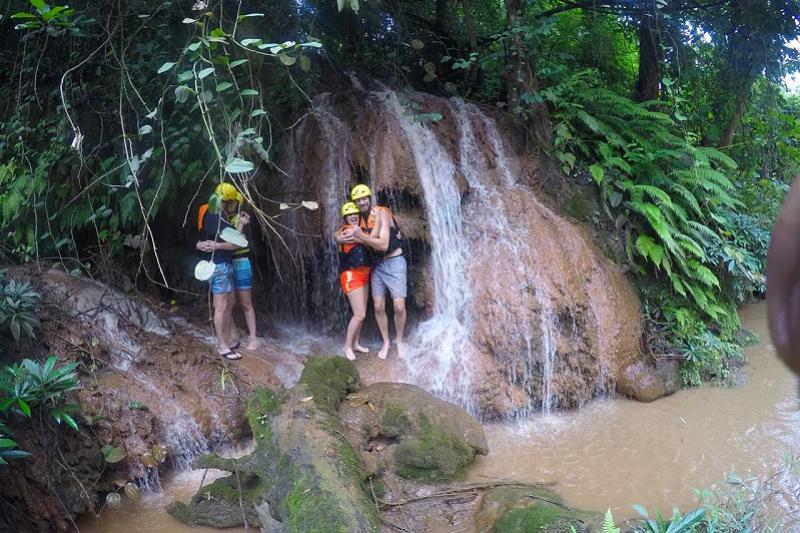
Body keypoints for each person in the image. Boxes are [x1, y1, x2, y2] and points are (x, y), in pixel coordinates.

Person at [341, 184, 407, 359]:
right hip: (376, 266)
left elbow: (384, 244)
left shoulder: (381, 213)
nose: (362, 202)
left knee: (399, 306)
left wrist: (363, 238)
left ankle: (399, 340)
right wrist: (338, 236)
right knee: (378, 306)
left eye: (364, 198)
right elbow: (341, 234)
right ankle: (386, 342)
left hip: (394, 262)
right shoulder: (357, 220)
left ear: (370, 198)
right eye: (358, 200)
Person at [196, 182, 246, 360]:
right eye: (233, 203)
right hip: (219, 266)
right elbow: (236, 243)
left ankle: (227, 340)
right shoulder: (216, 217)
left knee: (229, 303)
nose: (234, 207)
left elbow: (202, 239)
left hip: (224, 265)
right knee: (221, 307)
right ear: (227, 203)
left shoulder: (213, 214)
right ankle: (222, 346)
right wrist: (241, 225)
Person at [335, 202, 372, 361]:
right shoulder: (347, 230)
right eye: (350, 214)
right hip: (351, 275)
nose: (354, 216)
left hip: (365, 273)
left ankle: (356, 343)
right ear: (345, 218)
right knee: (359, 314)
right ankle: (347, 346)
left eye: (356, 213)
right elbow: (349, 236)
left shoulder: (360, 228)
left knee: (362, 313)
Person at [230, 209, 260, 351]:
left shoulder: (242, 217)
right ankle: (232, 331)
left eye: (232, 202)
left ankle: (253, 337)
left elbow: (237, 240)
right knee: (227, 302)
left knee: (246, 302)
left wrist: (241, 223)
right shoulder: (220, 218)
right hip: (226, 262)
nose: (229, 205)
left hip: (241, 262)